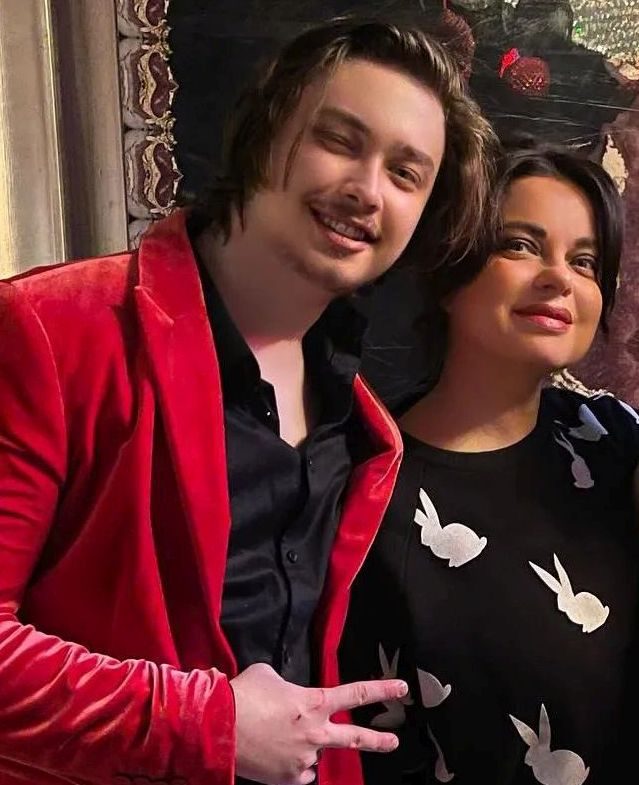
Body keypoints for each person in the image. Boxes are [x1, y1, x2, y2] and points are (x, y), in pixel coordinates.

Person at [0, 17, 496, 785]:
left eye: (406, 173)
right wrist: (211, 723)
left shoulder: (364, 426)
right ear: (266, 129)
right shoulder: (49, 328)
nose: (367, 189)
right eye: (338, 140)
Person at [340, 141, 639, 784]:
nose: (559, 277)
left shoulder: (612, 438)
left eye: (585, 261)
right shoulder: (365, 493)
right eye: (521, 246)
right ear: (451, 272)